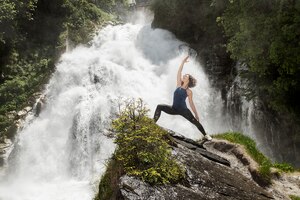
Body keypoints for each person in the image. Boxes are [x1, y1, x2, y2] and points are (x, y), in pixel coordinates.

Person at [153, 56, 212, 141]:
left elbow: (191, 103)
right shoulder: (178, 85)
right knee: (159, 106)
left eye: (186, 76)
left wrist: (196, 114)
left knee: (195, 122)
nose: (184, 76)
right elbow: (179, 71)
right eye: (184, 76)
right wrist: (183, 62)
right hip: (174, 109)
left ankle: (206, 135)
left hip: (184, 111)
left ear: (188, 80)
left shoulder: (189, 91)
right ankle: (152, 123)